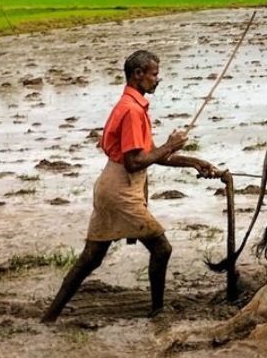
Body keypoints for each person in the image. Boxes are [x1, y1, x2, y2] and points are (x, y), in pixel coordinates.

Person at [42, 49, 221, 322]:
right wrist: (170, 145)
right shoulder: (132, 111)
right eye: (154, 74)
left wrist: (194, 162)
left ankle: (50, 317)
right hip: (121, 191)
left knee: (91, 258)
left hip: (112, 186)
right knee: (162, 249)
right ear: (138, 75)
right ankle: (158, 312)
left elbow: (149, 154)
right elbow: (135, 162)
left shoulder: (132, 106)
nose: (157, 80)